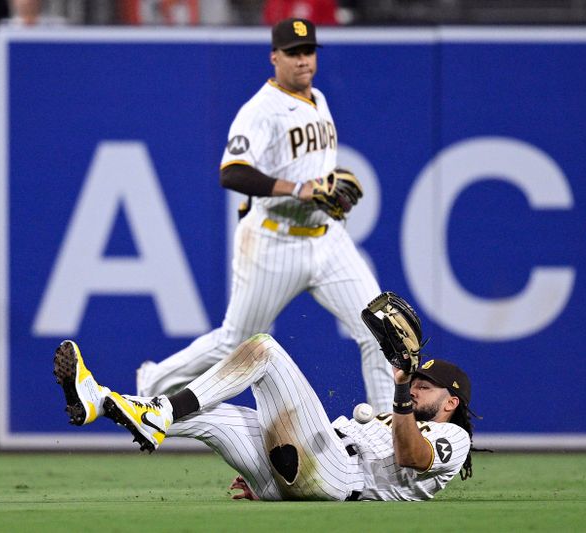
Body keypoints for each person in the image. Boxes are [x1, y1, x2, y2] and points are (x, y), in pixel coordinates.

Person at [136, 17, 394, 413]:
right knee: (235, 342)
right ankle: (153, 382)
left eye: (308, 52)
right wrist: (300, 189)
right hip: (275, 240)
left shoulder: (319, 100)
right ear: (274, 56)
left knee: (380, 329)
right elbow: (232, 172)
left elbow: (313, 178)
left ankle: (385, 431)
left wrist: (329, 193)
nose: (303, 60)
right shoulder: (260, 110)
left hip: (327, 239)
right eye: (293, 53)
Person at [53, 335, 477, 501]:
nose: (416, 386)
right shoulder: (396, 414)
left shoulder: (452, 439)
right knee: (211, 416)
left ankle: (158, 411)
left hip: (338, 477)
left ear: (450, 402)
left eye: (426, 385)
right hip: (298, 471)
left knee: (265, 351)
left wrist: (401, 393)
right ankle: (101, 399)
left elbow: (412, 458)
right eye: (415, 381)